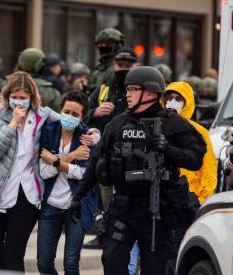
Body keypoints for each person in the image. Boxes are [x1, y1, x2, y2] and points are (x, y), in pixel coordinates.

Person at [69, 66, 207, 274]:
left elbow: (196, 159)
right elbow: (97, 163)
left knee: (155, 268)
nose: (128, 94)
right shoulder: (117, 125)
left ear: (150, 92)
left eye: (133, 89)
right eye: (127, 89)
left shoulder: (173, 124)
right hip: (123, 208)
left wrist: (167, 149)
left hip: (157, 211)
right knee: (113, 262)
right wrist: (77, 198)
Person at [0, 72, 99, 272]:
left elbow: (72, 120)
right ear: (7, 95)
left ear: (32, 98)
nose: (18, 102)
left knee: (14, 254)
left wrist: (95, 135)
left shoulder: (43, 115)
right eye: (14, 96)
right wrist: (12, 124)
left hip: (28, 195)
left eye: (23, 98)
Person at [37, 91, 98, 275]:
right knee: (44, 263)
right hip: (50, 205)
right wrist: (71, 157)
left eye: (75, 114)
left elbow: (85, 174)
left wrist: (56, 161)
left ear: (82, 117)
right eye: (66, 111)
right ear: (60, 110)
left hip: (77, 206)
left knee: (71, 264)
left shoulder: (87, 137)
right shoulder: (48, 131)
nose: (69, 117)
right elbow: (44, 172)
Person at [83, 47, 138, 250]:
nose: (122, 69)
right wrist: (95, 111)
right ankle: (104, 233)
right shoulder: (105, 88)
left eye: (127, 65)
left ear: (136, 66)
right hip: (107, 150)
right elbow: (83, 111)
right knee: (104, 194)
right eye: (119, 65)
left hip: (133, 151)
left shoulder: (141, 88)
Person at [163, 82, 217, 203]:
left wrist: (201, 199)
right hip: (164, 196)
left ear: (187, 102)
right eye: (169, 98)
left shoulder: (199, 132)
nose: (172, 102)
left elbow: (208, 169)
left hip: (190, 195)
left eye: (178, 99)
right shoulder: (157, 127)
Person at [89, 28, 124, 94]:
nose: (103, 46)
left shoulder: (121, 67)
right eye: (100, 44)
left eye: (108, 43)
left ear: (118, 45)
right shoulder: (99, 69)